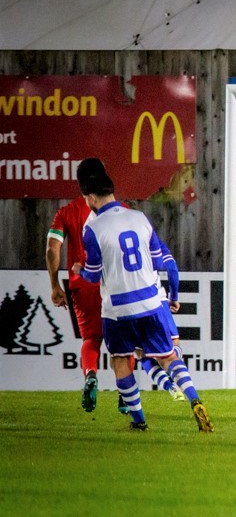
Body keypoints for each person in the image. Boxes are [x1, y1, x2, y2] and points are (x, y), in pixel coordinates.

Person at [71, 158, 213, 432]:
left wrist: (78, 270)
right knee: (169, 357)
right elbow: (168, 265)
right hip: (151, 301)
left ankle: (139, 421)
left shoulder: (93, 229)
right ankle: (195, 400)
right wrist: (172, 296)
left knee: (121, 360)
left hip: (119, 308)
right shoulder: (139, 218)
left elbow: (92, 274)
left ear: (89, 196)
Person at [46, 162, 184, 414]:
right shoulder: (124, 211)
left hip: (84, 283)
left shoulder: (65, 213)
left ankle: (90, 376)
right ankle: (127, 395)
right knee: (128, 344)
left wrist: (55, 285)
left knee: (91, 339)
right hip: (119, 286)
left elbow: (52, 248)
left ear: (83, 186)